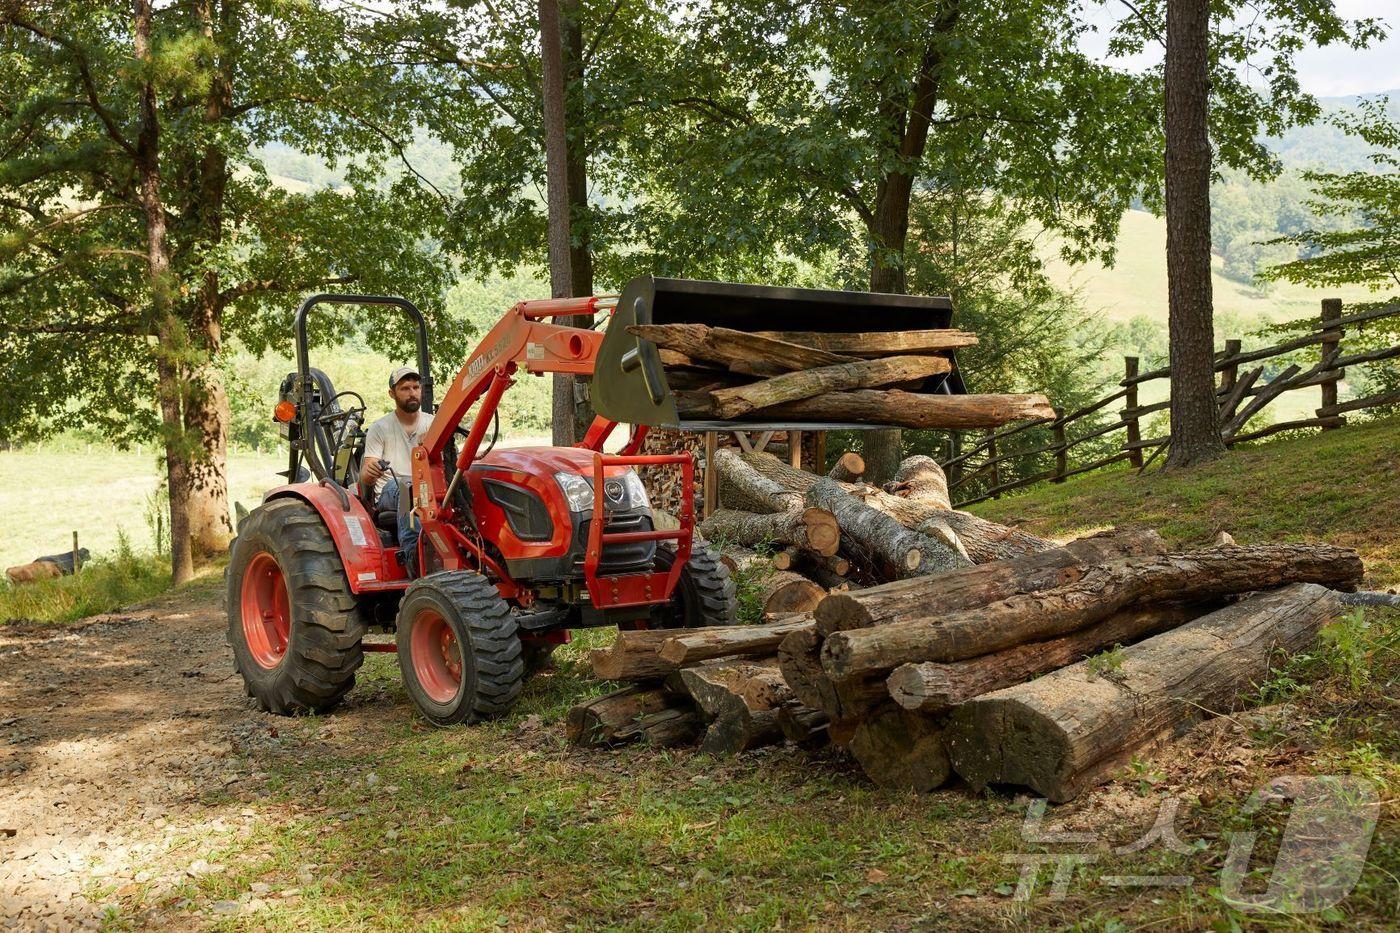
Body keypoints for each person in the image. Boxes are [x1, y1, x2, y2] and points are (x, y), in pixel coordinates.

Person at [361, 366, 433, 573]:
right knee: (406, 488)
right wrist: (371, 469)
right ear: (392, 393)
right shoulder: (380, 428)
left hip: (427, 488)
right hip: (390, 492)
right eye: (405, 388)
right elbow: (365, 476)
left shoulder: (432, 423)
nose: (412, 393)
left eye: (416, 387)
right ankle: (414, 556)